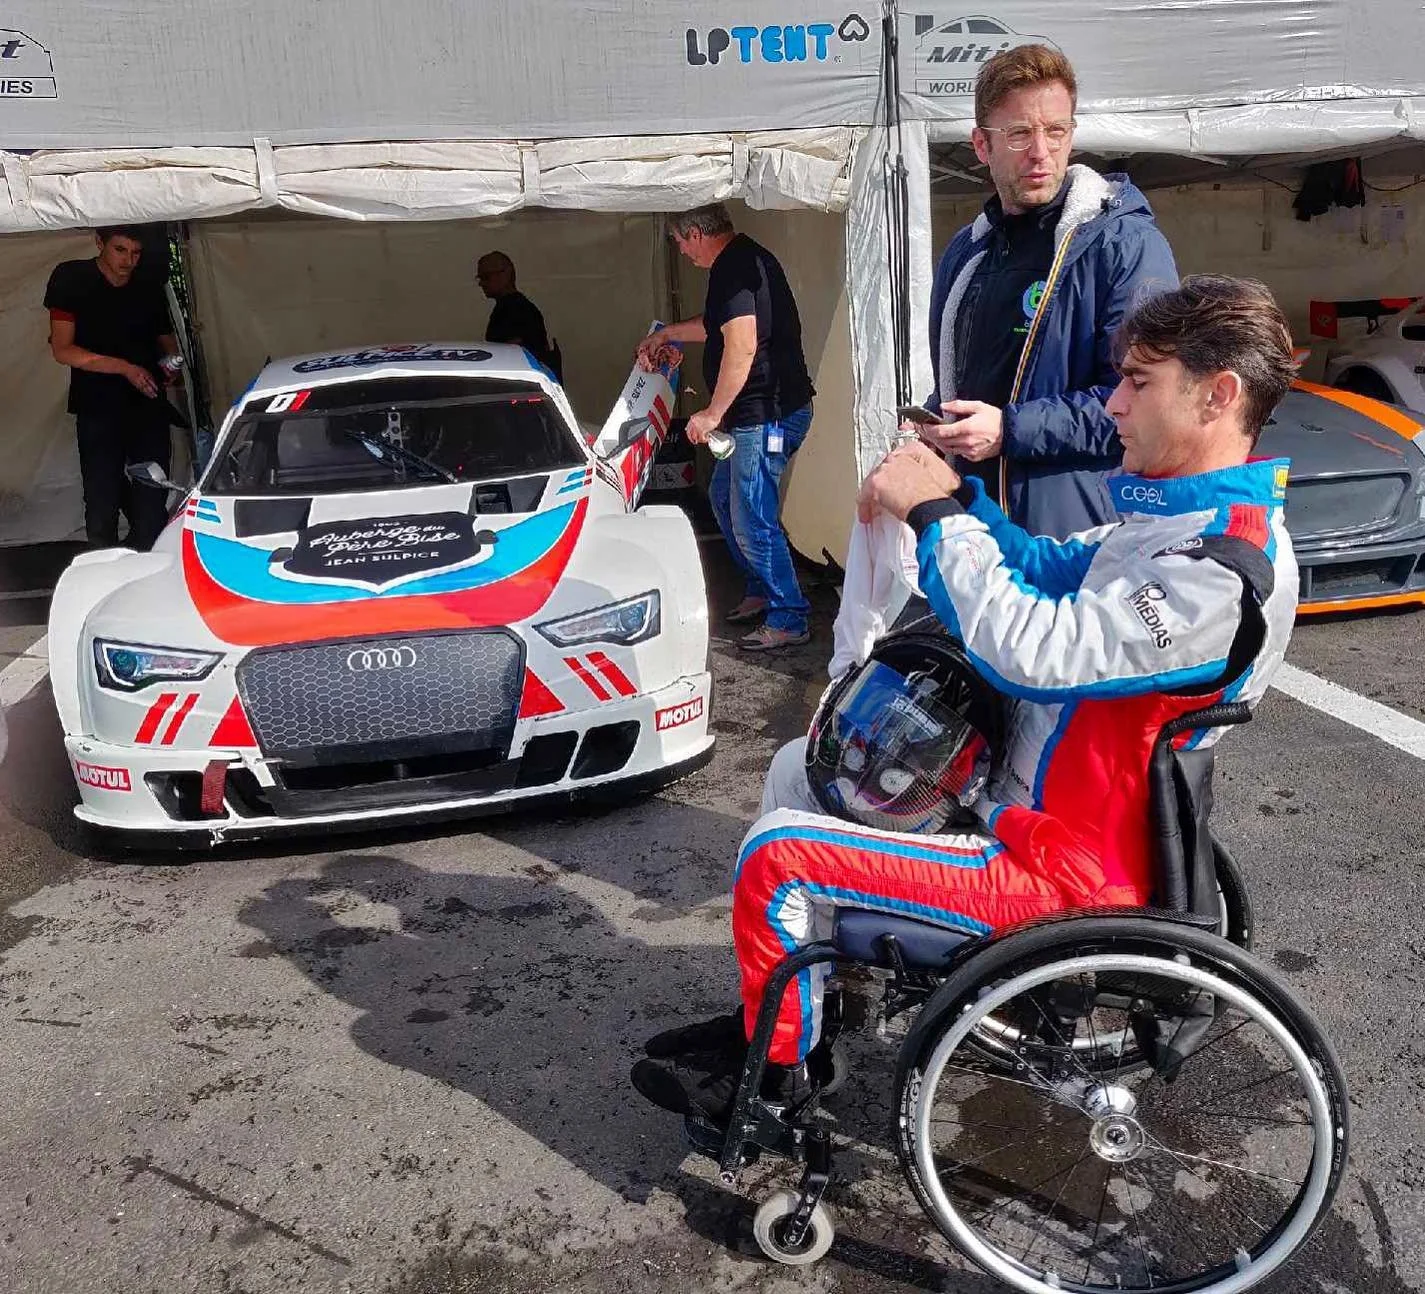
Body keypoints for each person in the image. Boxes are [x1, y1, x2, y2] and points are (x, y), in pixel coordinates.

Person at [632, 275, 1300, 1122]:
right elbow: (1033, 563)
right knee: (798, 774)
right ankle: (796, 1017)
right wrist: (953, 494)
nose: (1114, 404)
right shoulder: (1170, 525)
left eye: (1138, 380)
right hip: (1032, 817)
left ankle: (773, 1082)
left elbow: (1032, 651)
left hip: (1063, 873)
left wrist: (937, 518)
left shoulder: (1220, 572)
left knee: (778, 859)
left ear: (1218, 396)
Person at [921, 44, 1178, 538]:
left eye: (1055, 131)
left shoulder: (1123, 245)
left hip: (1078, 527)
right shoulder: (966, 253)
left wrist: (1009, 431)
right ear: (982, 146)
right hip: (976, 522)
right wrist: (937, 425)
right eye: (1019, 134)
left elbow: (1150, 404)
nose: (1041, 152)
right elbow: (967, 385)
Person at [637, 204, 815, 651]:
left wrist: (711, 414)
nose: (679, 248)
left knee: (751, 514)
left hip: (765, 415)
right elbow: (717, 326)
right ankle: (760, 588)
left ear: (695, 232)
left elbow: (741, 344)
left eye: (679, 240)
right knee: (725, 498)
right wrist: (668, 334)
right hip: (753, 417)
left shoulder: (736, 267)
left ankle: (789, 617)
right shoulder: (736, 262)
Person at [44, 225, 180, 550]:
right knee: (102, 495)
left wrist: (172, 363)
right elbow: (63, 349)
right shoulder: (71, 279)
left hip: (148, 403)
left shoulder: (147, 285)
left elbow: (166, 340)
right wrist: (125, 369)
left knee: (152, 491)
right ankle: (102, 567)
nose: (128, 261)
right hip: (98, 405)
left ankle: (149, 559)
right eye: (120, 250)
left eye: (135, 253)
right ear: (99, 242)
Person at [476, 251, 559, 378]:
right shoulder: (512, 307)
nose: (481, 283)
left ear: (506, 274)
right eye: (480, 278)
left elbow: (511, 354)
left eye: (486, 277)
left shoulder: (518, 310)